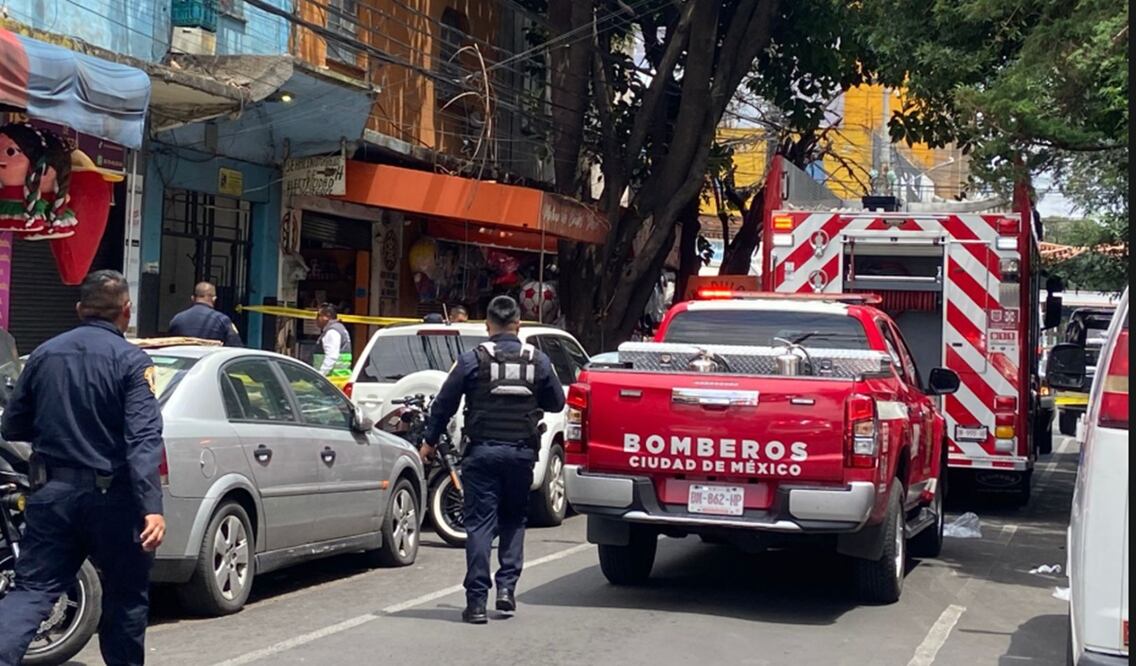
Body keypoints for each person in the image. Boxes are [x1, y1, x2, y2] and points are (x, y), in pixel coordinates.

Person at [0, 270, 166, 666]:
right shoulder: (132, 362)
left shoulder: (43, 354)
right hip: (115, 501)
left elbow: (13, 425)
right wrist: (152, 507)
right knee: (125, 597)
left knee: (32, 590)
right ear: (126, 312)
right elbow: (142, 440)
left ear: (79, 309)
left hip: (51, 495)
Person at [419, 295, 565, 624]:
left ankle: (475, 603)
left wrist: (428, 442)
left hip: (481, 454)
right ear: (519, 325)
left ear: (487, 326)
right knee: (514, 520)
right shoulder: (538, 361)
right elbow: (556, 403)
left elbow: (443, 404)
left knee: (480, 524)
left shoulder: (472, 360)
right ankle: (506, 591)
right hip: (520, 455)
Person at [167, 281, 242, 346]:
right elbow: (236, 346)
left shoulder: (177, 319)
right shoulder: (222, 320)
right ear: (214, 299)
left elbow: (169, 344)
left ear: (192, 298)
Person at [315, 303, 352, 381]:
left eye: (319, 315)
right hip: (339, 378)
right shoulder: (339, 328)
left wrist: (320, 375)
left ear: (327, 316)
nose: (316, 319)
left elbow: (331, 356)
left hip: (332, 380)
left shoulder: (332, 332)